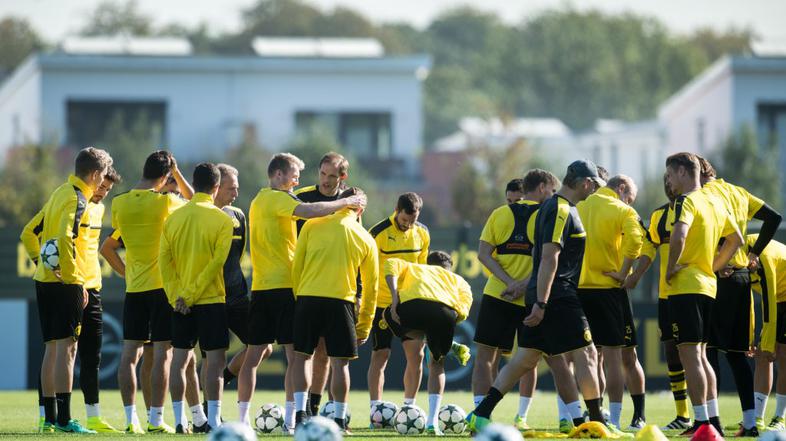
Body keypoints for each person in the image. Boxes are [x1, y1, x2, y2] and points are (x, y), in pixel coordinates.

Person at [467, 159, 614, 434]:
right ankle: (597, 424)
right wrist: (542, 303)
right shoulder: (560, 209)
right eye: (594, 186)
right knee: (588, 353)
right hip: (558, 294)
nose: (593, 191)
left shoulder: (550, 206)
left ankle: (480, 413)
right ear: (585, 182)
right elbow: (549, 257)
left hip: (544, 292)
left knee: (525, 358)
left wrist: (536, 296)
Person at [236, 153, 365, 431]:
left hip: (260, 287)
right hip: (287, 286)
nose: (297, 179)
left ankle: (243, 419)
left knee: (253, 356)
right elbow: (310, 211)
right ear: (279, 174)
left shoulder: (258, 199)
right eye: (294, 173)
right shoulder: (281, 199)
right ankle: (294, 419)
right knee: (297, 357)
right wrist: (347, 203)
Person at [101, 150, 194, 434]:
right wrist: (177, 174)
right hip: (163, 288)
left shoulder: (119, 202)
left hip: (136, 288)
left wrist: (126, 271)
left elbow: (110, 246)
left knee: (131, 354)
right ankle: (155, 420)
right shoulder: (166, 202)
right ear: (166, 176)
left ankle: (131, 420)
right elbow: (196, 200)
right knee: (162, 356)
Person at [695, 156, 782, 436]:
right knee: (737, 355)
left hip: (718, 275)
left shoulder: (703, 194)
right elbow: (774, 217)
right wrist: (754, 253)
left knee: (707, 352)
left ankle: (711, 422)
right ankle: (751, 423)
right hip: (742, 278)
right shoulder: (737, 192)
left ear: (697, 174)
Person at [29, 147, 113, 433]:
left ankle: (49, 419)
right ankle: (65, 420)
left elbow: (30, 231)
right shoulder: (77, 198)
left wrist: (43, 263)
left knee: (51, 349)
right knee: (68, 350)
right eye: (102, 175)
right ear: (94, 174)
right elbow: (65, 238)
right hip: (66, 284)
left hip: (44, 280)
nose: (102, 181)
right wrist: (74, 278)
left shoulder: (58, 192)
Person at [472, 169, 559, 431]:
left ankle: (481, 417)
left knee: (486, 357)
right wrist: (522, 284)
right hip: (532, 295)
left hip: (498, 292)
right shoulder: (547, 215)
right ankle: (558, 417)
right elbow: (549, 259)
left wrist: (509, 282)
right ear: (541, 189)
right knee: (531, 357)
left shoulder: (499, 213)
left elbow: (483, 254)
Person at [663, 152, 743, 436]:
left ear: (683, 172)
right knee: (701, 355)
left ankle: (700, 422)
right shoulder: (715, 201)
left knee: (690, 356)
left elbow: (679, 234)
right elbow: (737, 239)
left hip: (686, 286)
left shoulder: (686, 201)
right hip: (708, 286)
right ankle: (713, 419)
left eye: (671, 176)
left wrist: (671, 268)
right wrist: (713, 266)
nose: (669, 183)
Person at [290, 187, 379, 433]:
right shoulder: (365, 237)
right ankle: (339, 420)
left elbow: (297, 267)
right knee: (340, 364)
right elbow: (371, 288)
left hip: (308, 297)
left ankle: (300, 416)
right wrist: (365, 325)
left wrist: (300, 296)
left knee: (302, 358)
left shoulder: (311, 225)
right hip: (341, 302)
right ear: (360, 210)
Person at [159, 163, 234, 434]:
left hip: (180, 303)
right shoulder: (223, 220)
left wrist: (176, 296)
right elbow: (216, 264)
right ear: (216, 188)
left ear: (193, 182)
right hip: (211, 299)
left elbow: (164, 262)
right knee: (214, 362)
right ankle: (213, 421)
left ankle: (180, 421)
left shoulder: (173, 218)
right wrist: (190, 295)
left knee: (179, 361)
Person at [576, 175, 649, 430]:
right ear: (621, 189)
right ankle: (617, 420)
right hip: (609, 290)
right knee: (618, 357)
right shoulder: (622, 210)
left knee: (588, 357)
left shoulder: (579, 205)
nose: (630, 203)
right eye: (630, 198)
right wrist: (625, 271)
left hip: (578, 291)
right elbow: (638, 240)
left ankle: (597, 415)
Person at [383, 251, 473, 435]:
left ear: (427, 263)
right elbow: (464, 306)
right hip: (443, 312)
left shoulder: (415, 267)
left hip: (413, 308)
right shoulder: (458, 280)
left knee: (387, 315)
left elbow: (390, 264)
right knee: (437, 364)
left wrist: (394, 299)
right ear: (449, 268)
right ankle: (432, 423)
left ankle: (428, 338)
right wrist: (447, 328)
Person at [367, 193, 438, 418]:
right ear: (397, 210)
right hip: (382, 303)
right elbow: (365, 268)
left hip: (410, 304)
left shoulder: (423, 233)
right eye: (405, 220)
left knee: (416, 355)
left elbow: (423, 270)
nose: (408, 225)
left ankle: (409, 408)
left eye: (413, 220)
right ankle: (375, 411)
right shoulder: (377, 233)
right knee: (381, 355)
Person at [293, 152, 351, 415]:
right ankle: (297, 413)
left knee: (326, 353)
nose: (326, 181)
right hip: (303, 286)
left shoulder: (351, 203)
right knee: (300, 352)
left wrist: (358, 289)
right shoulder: (302, 197)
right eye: (323, 174)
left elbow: (354, 245)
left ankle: (315, 411)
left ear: (342, 177)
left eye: (332, 176)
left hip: (338, 288)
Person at [647, 175, 692, 431]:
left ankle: (708, 416)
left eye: (670, 179)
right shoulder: (658, 215)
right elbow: (648, 248)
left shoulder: (699, 206)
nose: (667, 185)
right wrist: (633, 277)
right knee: (671, 350)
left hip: (694, 291)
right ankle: (683, 414)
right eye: (664, 181)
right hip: (666, 295)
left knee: (698, 353)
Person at [747, 234, 786, 431]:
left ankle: (780, 417)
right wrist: (749, 338)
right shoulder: (733, 256)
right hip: (778, 299)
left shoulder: (762, 256)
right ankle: (757, 418)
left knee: (782, 355)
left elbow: (768, 302)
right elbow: (747, 303)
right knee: (762, 356)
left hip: (780, 297)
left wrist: (769, 344)